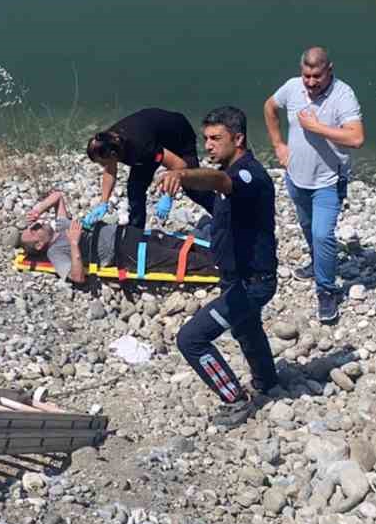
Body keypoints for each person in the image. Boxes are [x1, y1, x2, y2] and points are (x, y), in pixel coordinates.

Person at [159, 106, 278, 430]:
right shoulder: (230, 177)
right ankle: (267, 380)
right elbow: (214, 196)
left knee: (191, 339)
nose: (208, 145)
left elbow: (220, 181)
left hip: (252, 284)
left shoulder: (247, 176)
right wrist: (173, 168)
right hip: (235, 280)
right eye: (206, 139)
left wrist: (184, 175)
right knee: (246, 328)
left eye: (215, 138)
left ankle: (235, 399)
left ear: (238, 139)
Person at [264, 47, 364, 325]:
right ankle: (318, 262)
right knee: (308, 227)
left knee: (322, 234)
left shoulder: (343, 95)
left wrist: (316, 127)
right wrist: (278, 145)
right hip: (296, 177)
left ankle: (326, 290)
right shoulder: (292, 88)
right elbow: (269, 107)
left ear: (329, 70)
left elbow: (356, 138)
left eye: (316, 76)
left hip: (329, 181)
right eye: (306, 75)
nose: (310, 82)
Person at [17, 189, 218, 285]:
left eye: (33, 225)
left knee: (181, 243)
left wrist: (38, 209)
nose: (37, 225)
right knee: (183, 258)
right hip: (125, 253)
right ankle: (227, 268)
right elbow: (77, 277)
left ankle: (218, 244)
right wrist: (74, 243)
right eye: (34, 229)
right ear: (39, 245)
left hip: (128, 233)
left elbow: (59, 196)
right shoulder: (55, 253)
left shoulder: (61, 226)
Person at [86, 108, 211, 230]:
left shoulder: (141, 147)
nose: (102, 166)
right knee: (135, 190)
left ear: (113, 155)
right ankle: (135, 231)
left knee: (192, 187)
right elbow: (110, 170)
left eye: (102, 163)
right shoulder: (108, 143)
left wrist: (168, 195)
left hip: (179, 136)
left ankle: (220, 213)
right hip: (152, 138)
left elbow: (180, 165)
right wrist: (103, 203)